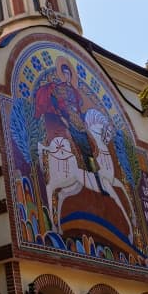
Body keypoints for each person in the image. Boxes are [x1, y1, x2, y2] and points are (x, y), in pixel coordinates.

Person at [33, 61, 107, 195]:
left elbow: (79, 106)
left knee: (89, 145)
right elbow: (54, 102)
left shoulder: (74, 91)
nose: (66, 76)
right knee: (78, 142)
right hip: (66, 119)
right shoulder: (58, 88)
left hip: (78, 121)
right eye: (64, 74)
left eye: (69, 74)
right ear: (62, 75)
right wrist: (62, 117)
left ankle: (98, 182)